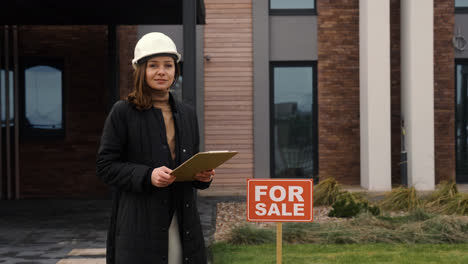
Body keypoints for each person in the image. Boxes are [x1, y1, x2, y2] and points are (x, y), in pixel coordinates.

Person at [96, 32, 215, 264]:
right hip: (141, 225)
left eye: (168, 65)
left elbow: (190, 165)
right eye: (153, 65)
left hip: (183, 221)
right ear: (141, 70)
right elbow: (105, 166)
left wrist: (202, 176)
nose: (162, 71)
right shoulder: (123, 112)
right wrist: (147, 175)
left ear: (175, 71)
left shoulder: (187, 114)